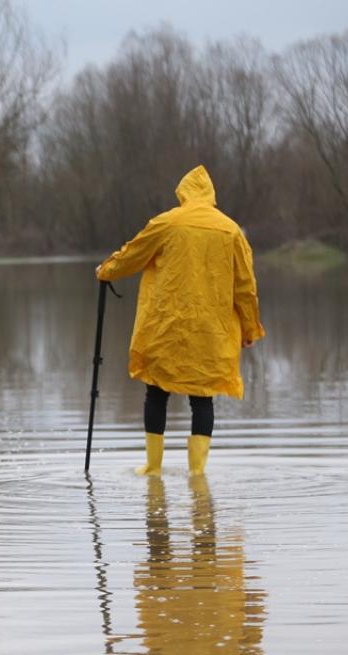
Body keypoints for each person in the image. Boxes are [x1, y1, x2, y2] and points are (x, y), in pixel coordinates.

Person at [96, 165, 264, 477]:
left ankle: (153, 467)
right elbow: (245, 286)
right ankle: (197, 473)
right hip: (210, 333)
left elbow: (132, 255)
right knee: (202, 399)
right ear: (211, 196)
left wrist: (105, 270)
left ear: (183, 193)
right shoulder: (231, 230)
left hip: (166, 329)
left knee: (156, 393)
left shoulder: (167, 222)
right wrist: (250, 327)